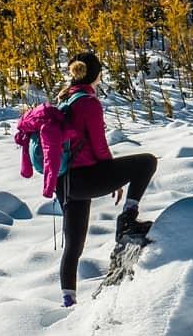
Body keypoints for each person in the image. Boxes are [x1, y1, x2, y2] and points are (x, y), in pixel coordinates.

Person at [54, 51, 157, 308]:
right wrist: (115, 177)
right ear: (96, 74)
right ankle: (128, 218)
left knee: (73, 244)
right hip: (85, 178)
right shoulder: (88, 103)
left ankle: (68, 300)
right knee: (146, 162)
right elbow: (99, 146)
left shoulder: (64, 98)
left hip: (64, 182)